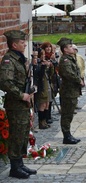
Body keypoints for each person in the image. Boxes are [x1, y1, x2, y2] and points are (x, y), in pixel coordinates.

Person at [0, 30, 37, 178]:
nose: (24, 44)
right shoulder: (9, 60)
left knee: (23, 132)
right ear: (14, 44)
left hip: (22, 103)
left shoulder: (19, 58)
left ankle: (20, 163)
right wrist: (21, 94)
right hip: (16, 103)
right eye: (22, 43)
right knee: (16, 134)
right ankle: (15, 167)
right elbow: (5, 82)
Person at [57, 37, 84, 144]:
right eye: (69, 47)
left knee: (69, 114)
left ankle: (68, 134)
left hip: (72, 91)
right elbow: (69, 73)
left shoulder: (70, 58)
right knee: (67, 114)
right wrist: (79, 80)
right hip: (68, 91)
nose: (72, 48)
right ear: (65, 50)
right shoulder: (65, 60)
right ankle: (66, 135)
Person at [37, 42, 55, 129]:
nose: (44, 56)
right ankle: (41, 122)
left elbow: (51, 74)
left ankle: (45, 120)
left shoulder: (45, 62)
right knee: (42, 104)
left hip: (47, 83)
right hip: (42, 85)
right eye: (42, 55)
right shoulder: (39, 65)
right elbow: (39, 75)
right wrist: (44, 66)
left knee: (47, 103)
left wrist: (50, 66)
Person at [72, 44, 86, 109]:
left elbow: (83, 65)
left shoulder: (79, 57)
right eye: (73, 49)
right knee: (74, 91)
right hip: (74, 76)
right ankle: (73, 104)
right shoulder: (70, 58)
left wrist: (82, 73)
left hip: (80, 75)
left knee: (78, 90)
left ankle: (76, 103)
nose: (74, 51)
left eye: (75, 50)